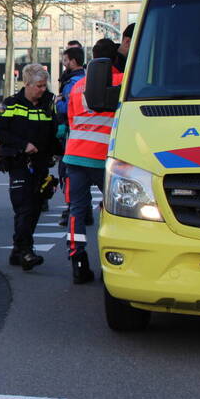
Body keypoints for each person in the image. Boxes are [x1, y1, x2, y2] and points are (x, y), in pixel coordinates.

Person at [63, 39, 124, 284]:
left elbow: (71, 119)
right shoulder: (121, 81)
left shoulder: (78, 85)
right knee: (115, 210)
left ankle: (78, 261)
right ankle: (114, 260)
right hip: (103, 157)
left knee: (76, 210)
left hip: (75, 154)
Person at [0, 64, 59, 271]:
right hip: (19, 162)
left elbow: (53, 133)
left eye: (44, 85)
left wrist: (61, 152)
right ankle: (26, 251)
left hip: (40, 164)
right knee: (24, 207)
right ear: (27, 84)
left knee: (35, 208)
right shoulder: (11, 104)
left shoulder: (48, 104)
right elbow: (0, 132)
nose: (43, 89)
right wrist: (24, 145)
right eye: (39, 86)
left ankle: (17, 251)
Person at [55, 46, 86, 226]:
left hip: (71, 133)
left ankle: (70, 210)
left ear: (73, 61)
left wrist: (58, 102)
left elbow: (68, 108)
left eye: (65, 60)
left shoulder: (72, 82)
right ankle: (84, 211)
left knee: (67, 172)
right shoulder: (86, 79)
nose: (64, 64)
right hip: (85, 134)